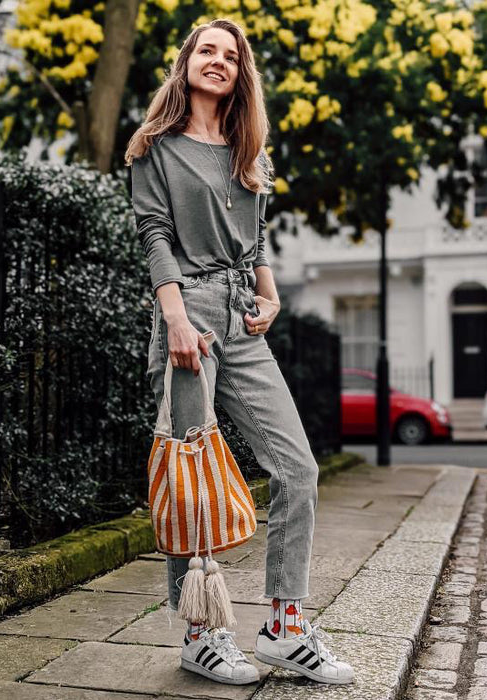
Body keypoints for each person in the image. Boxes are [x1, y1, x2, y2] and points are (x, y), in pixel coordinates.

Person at [124, 18, 354, 687]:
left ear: (240, 72)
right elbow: (154, 233)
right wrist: (174, 319)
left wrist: (270, 293)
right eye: (207, 51)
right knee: (193, 472)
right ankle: (203, 634)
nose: (218, 61)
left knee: (298, 467)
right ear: (186, 62)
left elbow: (253, 241)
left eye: (230, 55)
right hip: (188, 312)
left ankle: (285, 628)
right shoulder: (154, 147)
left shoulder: (250, 149)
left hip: (241, 318)